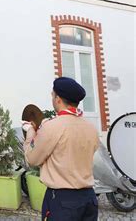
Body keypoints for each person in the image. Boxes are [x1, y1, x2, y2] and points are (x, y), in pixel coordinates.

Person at [23, 77, 99, 221]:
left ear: (58, 99)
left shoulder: (52, 127)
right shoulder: (91, 128)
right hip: (89, 198)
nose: (52, 98)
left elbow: (32, 159)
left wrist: (30, 133)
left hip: (62, 201)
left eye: (52, 95)